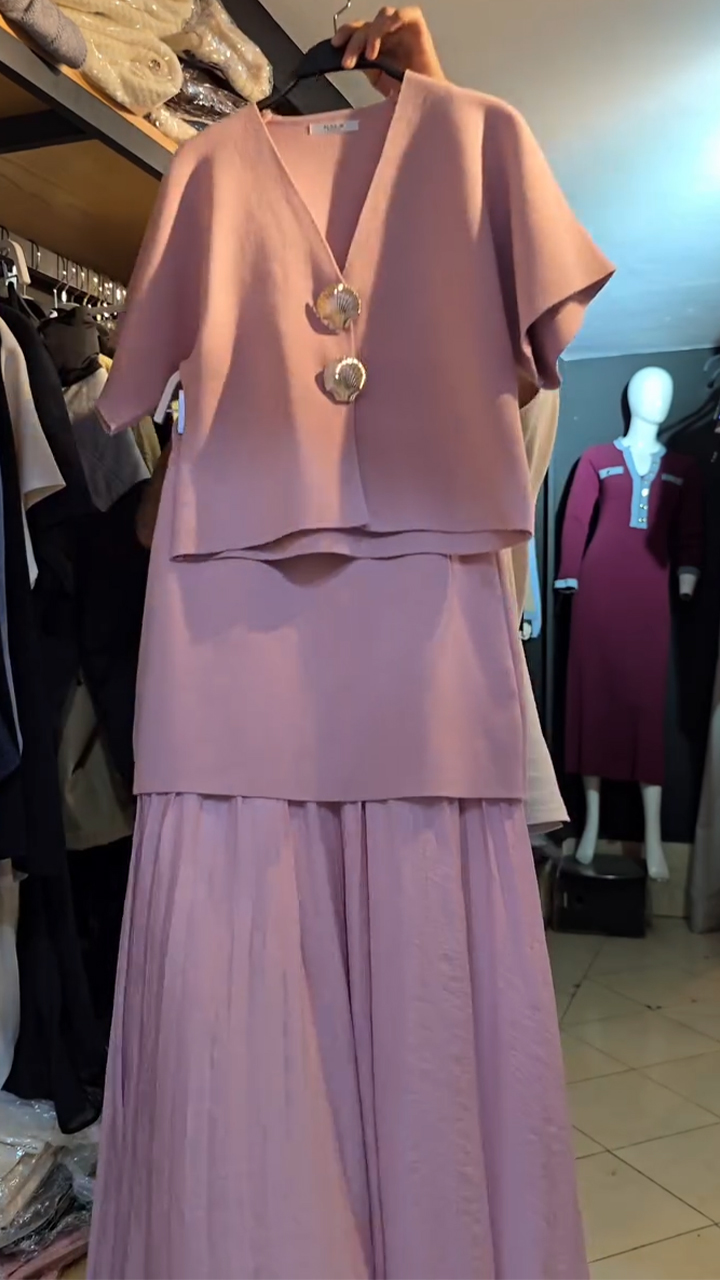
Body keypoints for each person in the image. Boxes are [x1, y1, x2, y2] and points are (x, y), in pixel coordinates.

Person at [90, 9, 610, 1278]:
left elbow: (523, 339)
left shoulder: (484, 143)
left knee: (406, 1010)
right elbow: (124, 395)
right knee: (269, 1012)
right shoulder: (208, 172)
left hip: (421, 661)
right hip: (238, 666)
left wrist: (440, 118)